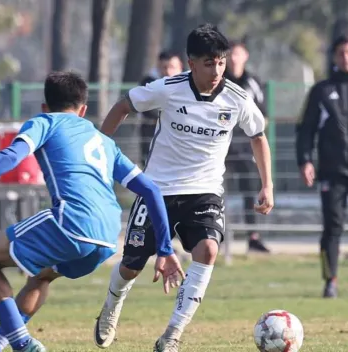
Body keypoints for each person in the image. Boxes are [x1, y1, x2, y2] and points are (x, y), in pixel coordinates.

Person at [0, 71, 185, 352]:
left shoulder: (44, 122)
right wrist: (164, 249)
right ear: (84, 109)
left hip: (72, 222)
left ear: (44, 106)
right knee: (40, 277)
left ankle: (23, 343)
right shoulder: (104, 141)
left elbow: (12, 156)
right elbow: (151, 191)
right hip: (108, 237)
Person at [94, 24, 274, 352]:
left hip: (204, 190)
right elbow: (123, 106)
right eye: (209, 63)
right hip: (157, 191)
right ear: (191, 62)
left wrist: (267, 185)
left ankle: (172, 335)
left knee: (208, 251)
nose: (218, 69)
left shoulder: (236, 98)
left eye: (221, 62)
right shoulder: (168, 88)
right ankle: (111, 305)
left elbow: (258, 136)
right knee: (131, 265)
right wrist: (100, 153)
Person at [296, 35, 348, 298]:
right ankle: (330, 280)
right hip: (333, 171)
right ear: (334, 58)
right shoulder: (321, 91)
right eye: (341, 53)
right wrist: (305, 159)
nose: (346, 57)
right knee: (332, 228)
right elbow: (305, 129)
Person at [224, 39, 270, 253]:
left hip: (245, 148)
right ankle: (215, 235)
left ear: (245, 56)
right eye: (230, 54)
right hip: (220, 146)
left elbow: (263, 116)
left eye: (238, 54)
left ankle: (253, 236)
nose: (234, 58)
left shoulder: (254, 83)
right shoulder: (218, 80)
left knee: (250, 191)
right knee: (213, 190)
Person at [139, 51, 183, 166]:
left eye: (172, 67)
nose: (168, 72)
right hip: (153, 140)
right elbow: (148, 109)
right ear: (158, 67)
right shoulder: (148, 83)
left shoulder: (189, 86)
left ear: (181, 68)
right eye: (164, 67)